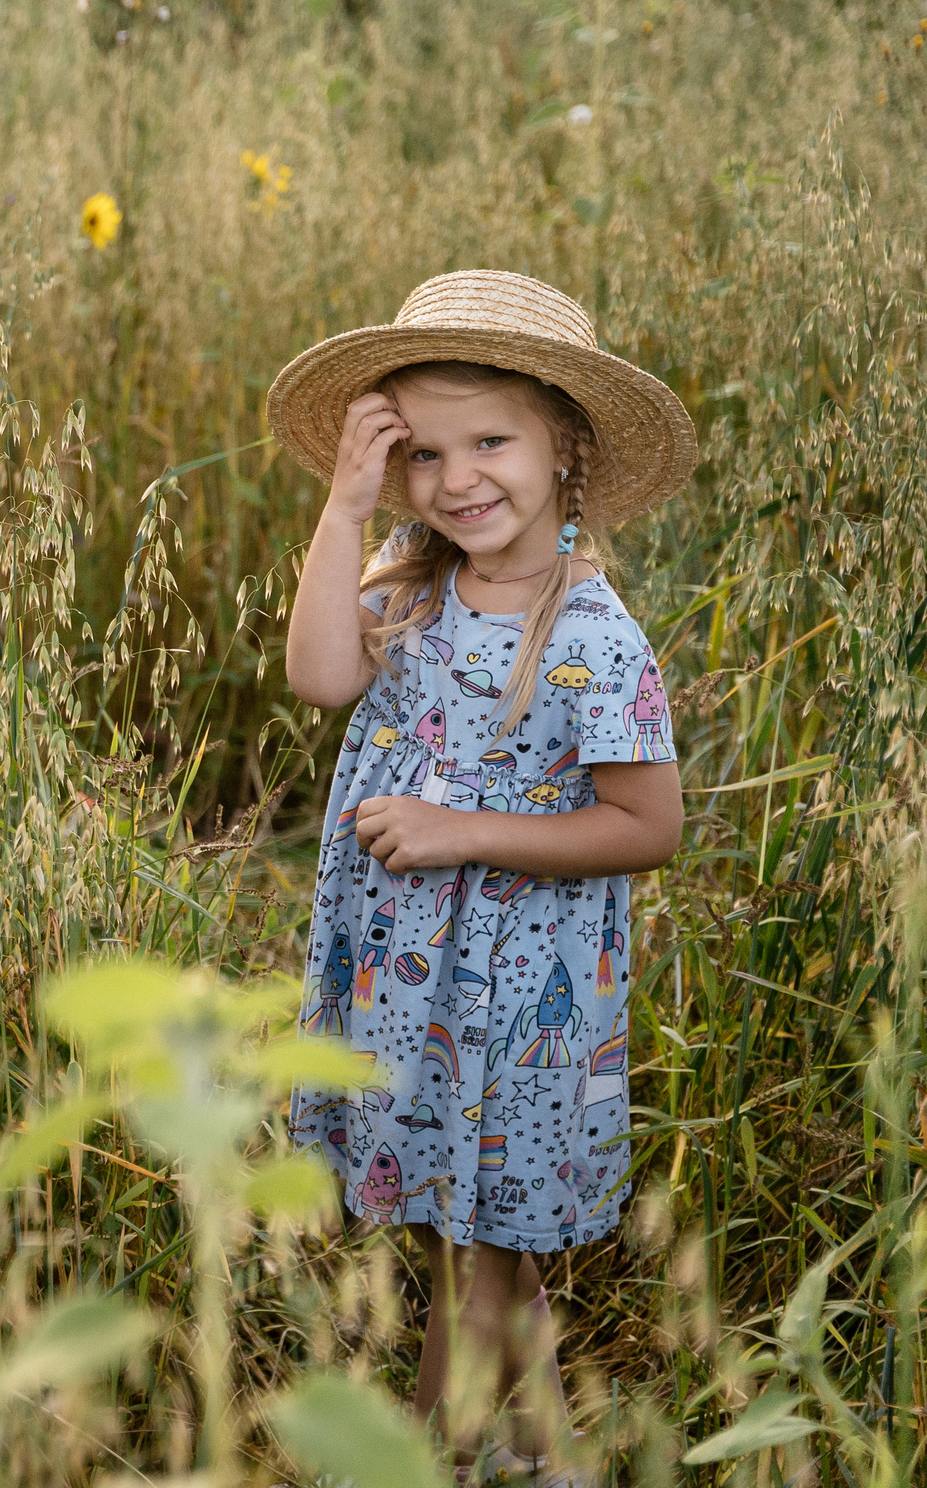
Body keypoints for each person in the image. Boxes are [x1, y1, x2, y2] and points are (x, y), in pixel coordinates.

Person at [267, 271, 696, 1486]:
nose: (457, 481)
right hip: (419, 980)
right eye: (422, 454)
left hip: (519, 999)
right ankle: (546, 1462)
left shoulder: (589, 634)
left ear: (564, 446)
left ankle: (431, 1460)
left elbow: (648, 825)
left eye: (491, 441)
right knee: (481, 1246)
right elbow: (317, 678)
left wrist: (460, 829)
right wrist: (346, 508)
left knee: (476, 1255)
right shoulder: (410, 573)